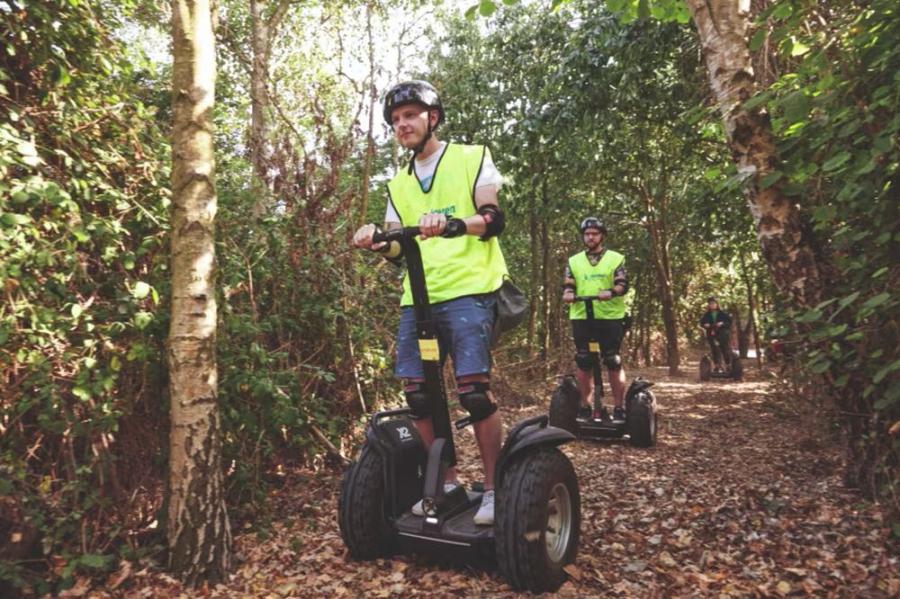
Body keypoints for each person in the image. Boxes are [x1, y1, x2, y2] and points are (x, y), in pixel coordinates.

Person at [352, 81, 507, 526]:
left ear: (432, 118)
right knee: (419, 396)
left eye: (411, 116)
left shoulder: (471, 157)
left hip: (469, 290)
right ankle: (449, 484)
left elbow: (494, 220)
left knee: (474, 394)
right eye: (396, 120)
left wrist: (454, 223)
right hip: (417, 298)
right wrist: (376, 242)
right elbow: (399, 250)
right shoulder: (397, 184)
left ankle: (495, 490)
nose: (403, 125)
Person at [562, 217, 629, 420]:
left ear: (602, 236)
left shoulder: (616, 258)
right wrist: (567, 293)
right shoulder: (574, 261)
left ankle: (619, 407)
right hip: (582, 315)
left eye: (595, 234)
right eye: (587, 234)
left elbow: (623, 283)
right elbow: (569, 283)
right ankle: (585, 406)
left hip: (609, 316)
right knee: (584, 359)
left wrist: (612, 291)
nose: (590, 237)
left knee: (612, 359)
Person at [699, 297, 733, 371]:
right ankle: (717, 365)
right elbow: (702, 323)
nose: (712, 305)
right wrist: (705, 325)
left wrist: (722, 323)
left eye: (713, 303)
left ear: (717, 304)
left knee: (725, 349)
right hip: (711, 334)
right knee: (714, 349)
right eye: (710, 304)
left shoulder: (723, 313)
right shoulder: (707, 314)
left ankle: (728, 365)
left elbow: (729, 322)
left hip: (722, 334)